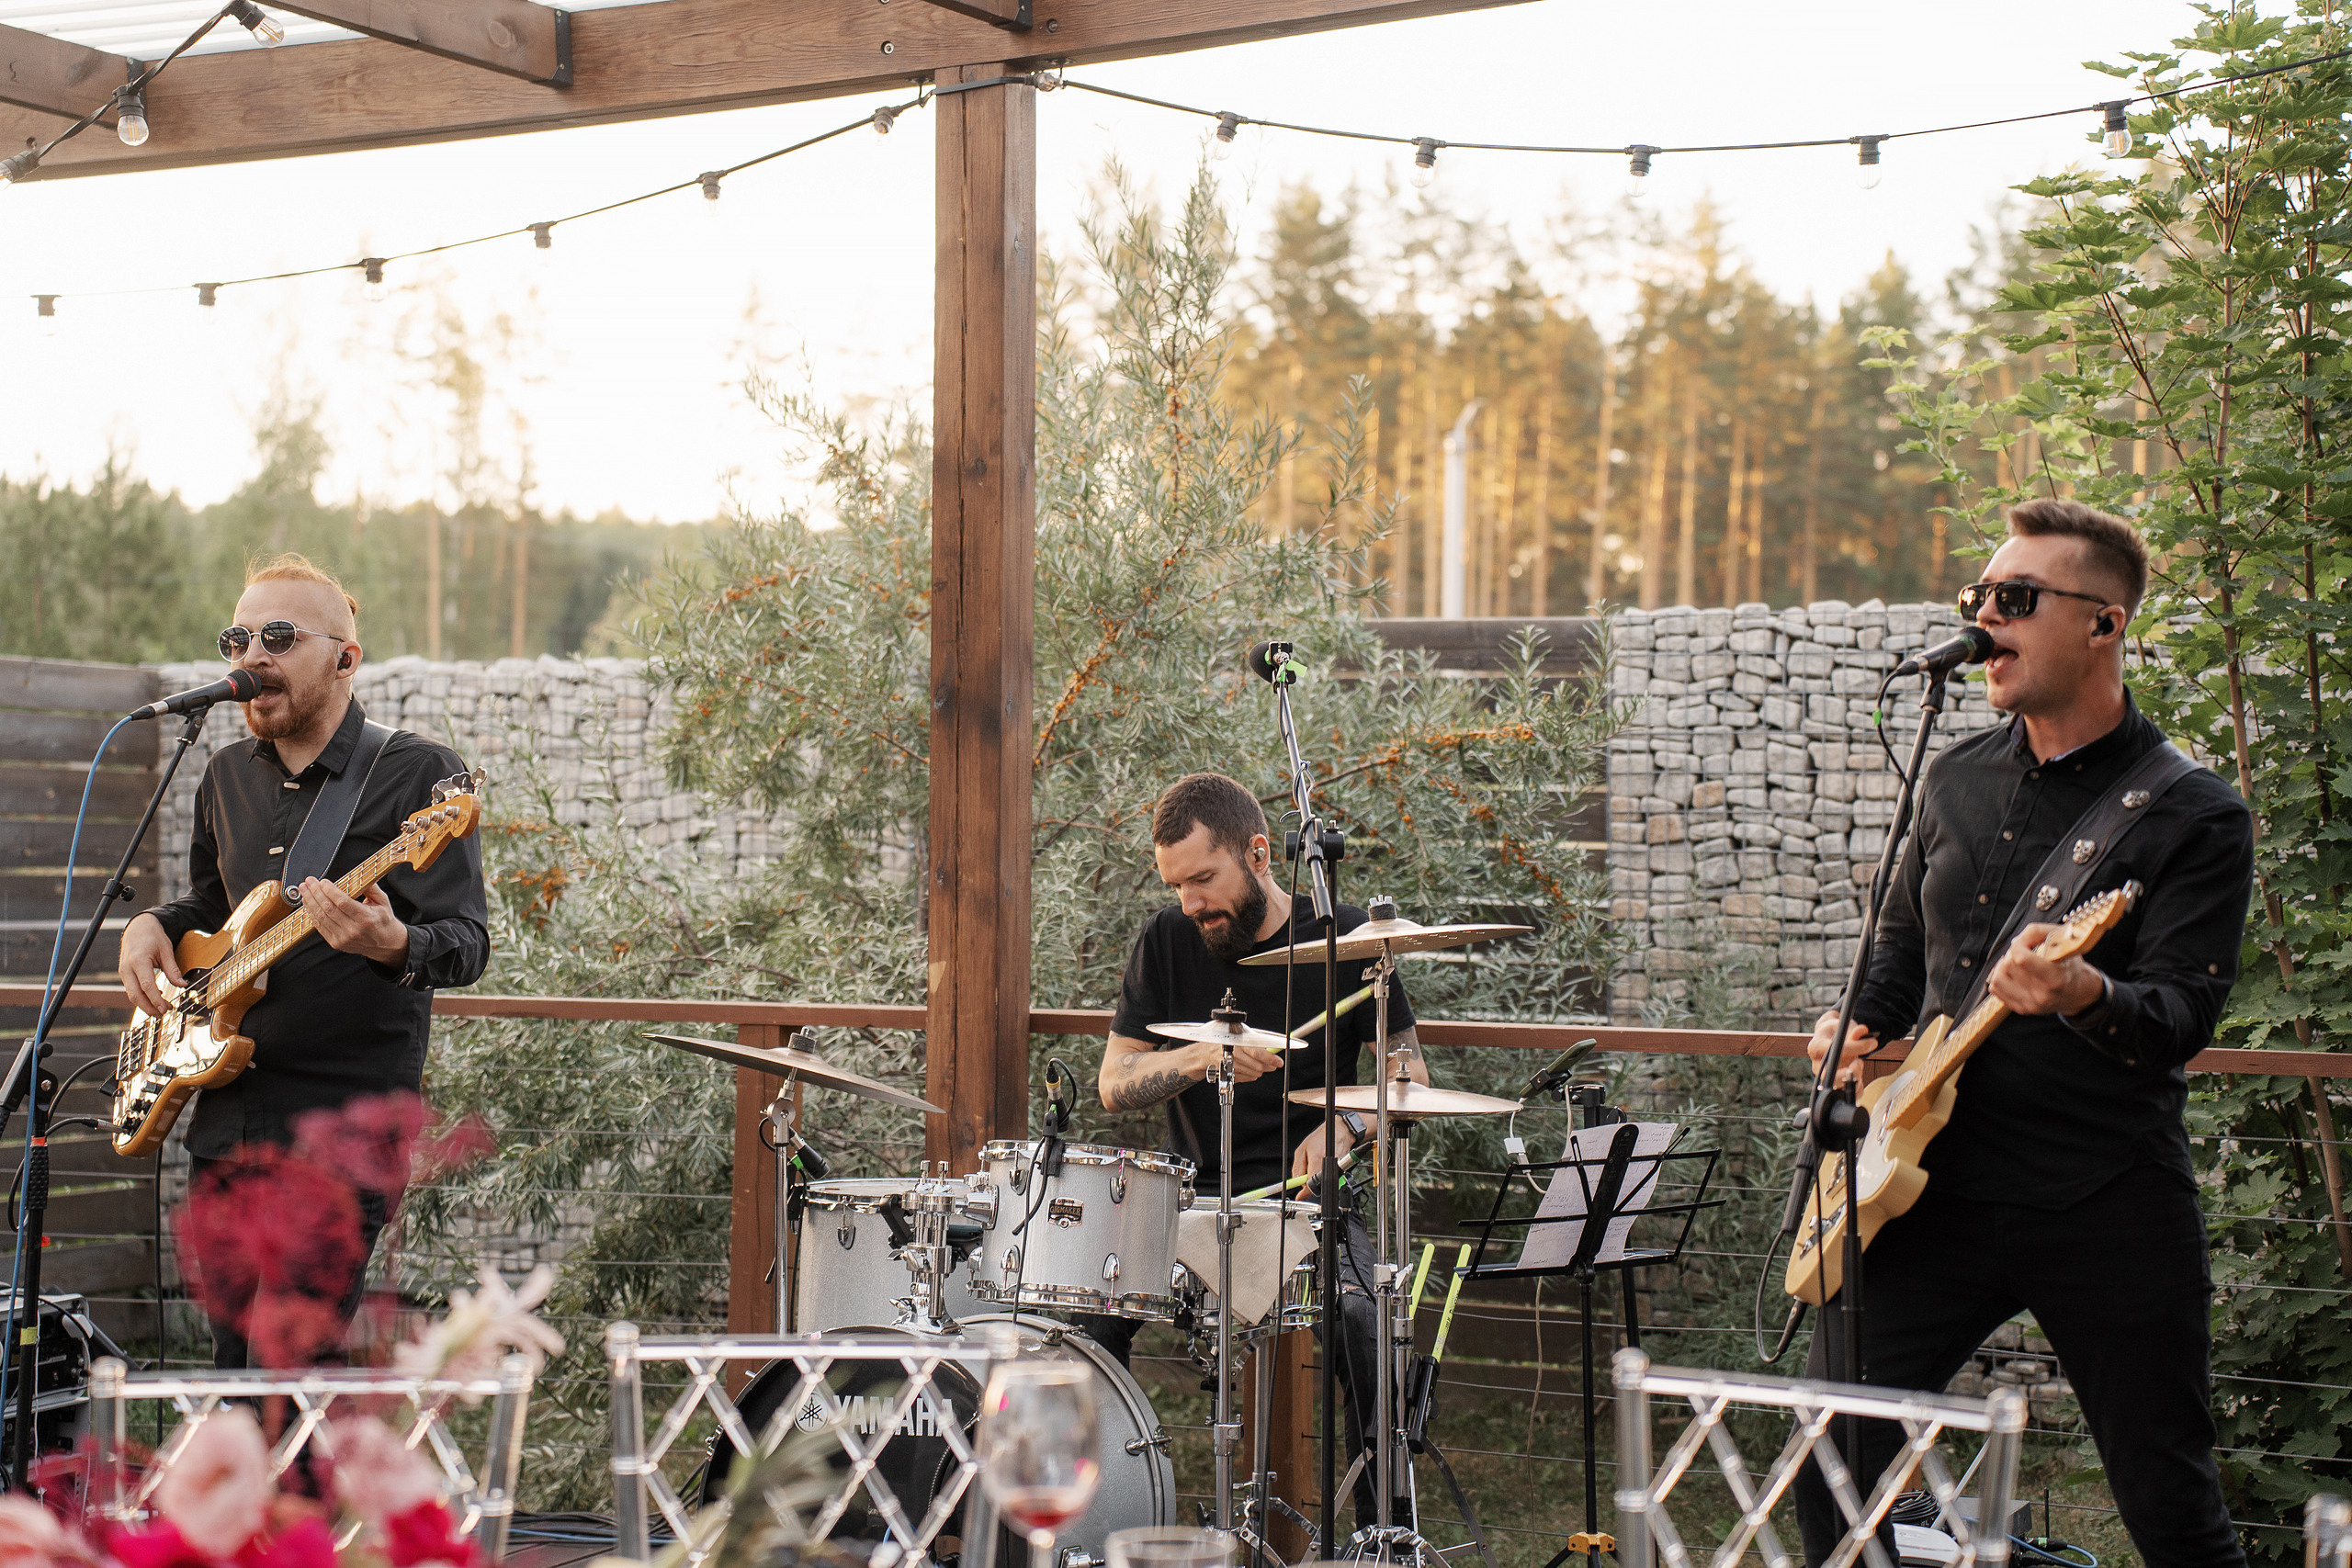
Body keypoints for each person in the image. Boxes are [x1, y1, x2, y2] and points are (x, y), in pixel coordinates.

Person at [1795, 500, 2253, 1568]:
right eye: (1976, 598)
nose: (1983, 621)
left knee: (2166, 1495)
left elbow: (2180, 1020)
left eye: (2013, 600)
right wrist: (1856, 1026)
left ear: (2102, 624)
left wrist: (2083, 991)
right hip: (1927, 1185)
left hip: (2105, 1198)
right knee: (1829, 1453)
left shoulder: (2193, 814)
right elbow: (1902, 964)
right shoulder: (1952, 775)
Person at [118, 554, 490, 1368]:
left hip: (339, 1138)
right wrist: (150, 922)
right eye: (238, 637)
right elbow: (212, 916)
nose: (253, 656)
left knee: (289, 1381)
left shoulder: (419, 775)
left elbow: (467, 943)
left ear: (345, 658)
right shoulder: (221, 775)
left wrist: (392, 944)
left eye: (279, 637)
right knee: (232, 1370)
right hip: (223, 1124)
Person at [1094, 771, 1428, 1527]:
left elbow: (1408, 1074)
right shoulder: (1166, 939)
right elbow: (1114, 1082)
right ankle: (1089, 1523)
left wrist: (1343, 1126)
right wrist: (1192, 1060)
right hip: (1187, 1203)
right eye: (1176, 884)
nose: (1191, 903)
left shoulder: (1348, 939)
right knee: (1083, 1330)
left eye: (1204, 879)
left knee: (1364, 1322)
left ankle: (1383, 1535)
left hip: (1308, 1207)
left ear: (1258, 853)